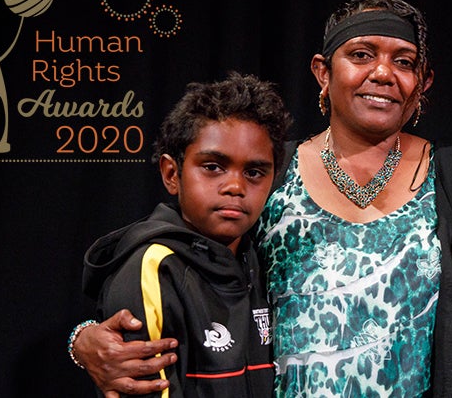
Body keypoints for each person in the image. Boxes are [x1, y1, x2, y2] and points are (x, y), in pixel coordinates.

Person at [69, 0, 452, 397]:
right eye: (362, 54)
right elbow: (182, 265)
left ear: (423, 84)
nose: (384, 73)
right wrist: (84, 338)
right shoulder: (269, 172)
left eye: (404, 62)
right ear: (323, 72)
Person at [72, 72, 293, 397]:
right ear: (172, 174)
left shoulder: (263, 258)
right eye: (213, 167)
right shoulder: (155, 268)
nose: (235, 186)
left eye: (254, 172)